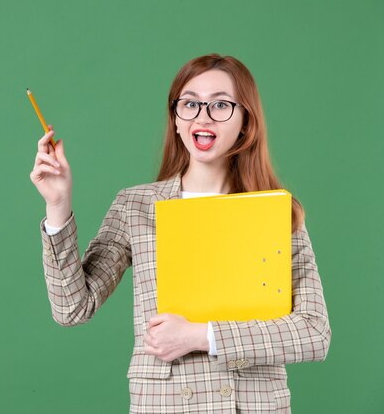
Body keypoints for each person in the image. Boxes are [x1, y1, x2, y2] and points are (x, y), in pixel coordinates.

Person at [29, 53, 331, 414]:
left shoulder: (277, 213)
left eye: (220, 104)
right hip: (165, 404)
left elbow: (314, 334)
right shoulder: (136, 206)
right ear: (175, 119)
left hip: (251, 405)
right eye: (190, 104)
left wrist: (200, 336)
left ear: (246, 121)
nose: (203, 117)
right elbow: (72, 309)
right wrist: (58, 205)